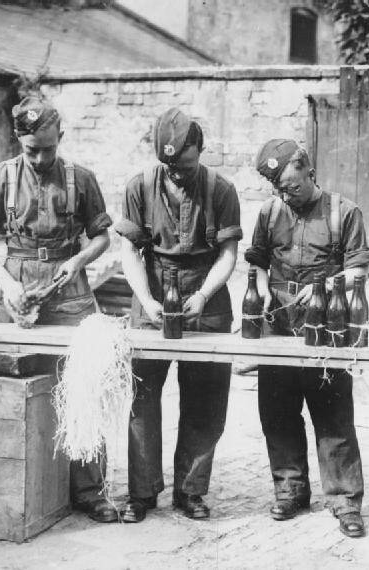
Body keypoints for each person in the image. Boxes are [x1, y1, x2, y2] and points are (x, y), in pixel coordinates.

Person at [0, 96, 115, 523]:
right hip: (16, 287)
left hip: (70, 290)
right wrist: (7, 284)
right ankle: (18, 488)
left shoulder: (81, 179)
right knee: (16, 387)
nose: (39, 158)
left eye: (48, 149)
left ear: (60, 137)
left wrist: (79, 260)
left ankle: (90, 491)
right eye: (32, 150)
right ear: (19, 140)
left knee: (84, 386)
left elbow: (102, 237)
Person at [114, 108, 241, 523]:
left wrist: (204, 294)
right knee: (142, 397)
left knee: (205, 398)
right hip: (152, 291)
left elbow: (228, 254)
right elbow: (129, 251)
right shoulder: (138, 186)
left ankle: (191, 491)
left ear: (200, 151)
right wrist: (145, 298)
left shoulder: (222, 190)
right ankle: (141, 492)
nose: (177, 174)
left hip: (207, 296)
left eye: (185, 166)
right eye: (169, 167)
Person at [245, 139, 369, 538]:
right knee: (278, 413)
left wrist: (323, 287)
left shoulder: (344, 212)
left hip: (327, 328)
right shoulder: (269, 213)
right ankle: (290, 491)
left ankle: (345, 500)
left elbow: (359, 270)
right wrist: (264, 291)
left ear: (310, 172)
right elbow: (258, 262)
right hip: (279, 327)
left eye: (293, 187)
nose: (286, 195)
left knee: (333, 417)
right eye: (279, 189)